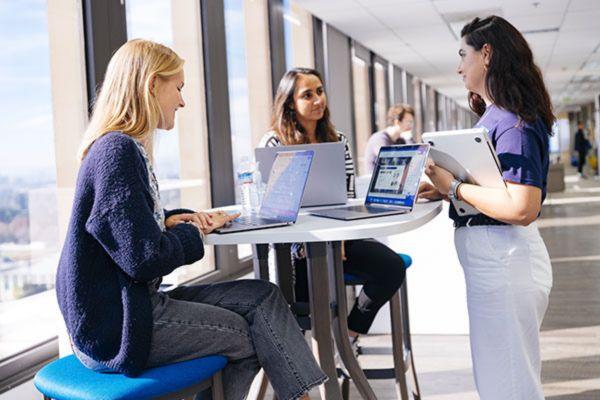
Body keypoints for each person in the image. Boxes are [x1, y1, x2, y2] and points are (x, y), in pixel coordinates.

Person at [55, 40, 326, 400]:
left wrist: (170, 220)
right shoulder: (116, 151)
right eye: (178, 88)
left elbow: (123, 227)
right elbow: (144, 259)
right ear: (152, 84)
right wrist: (190, 232)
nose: (182, 101)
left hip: (128, 309)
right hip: (118, 328)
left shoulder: (120, 148)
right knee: (249, 337)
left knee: (263, 296)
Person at [419, 16, 554, 400]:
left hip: (505, 261)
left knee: (509, 385)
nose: (460, 66)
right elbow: (500, 188)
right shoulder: (495, 116)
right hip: (496, 261)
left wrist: (456, 187)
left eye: (464, 55)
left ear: (488, 54)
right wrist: (445, 189)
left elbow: (523, 206)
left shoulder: (514, 123)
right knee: (501, 378)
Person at [258, 67, 407, 344]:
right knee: (301, 301)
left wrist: (340, 238)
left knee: (391, 267)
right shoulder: (273, 142)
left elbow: (348, 197)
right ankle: (301, 362)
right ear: (290, 103)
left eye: (320, 91)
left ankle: (346, 336)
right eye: (307, 95)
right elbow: (271, 207)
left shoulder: (338, 140)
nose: (318, 100)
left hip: (338, 237)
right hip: (294, 245)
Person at [364, 103, 415, 173]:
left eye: (412, 122)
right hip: (376, 181)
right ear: (397, 122)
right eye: (408, 122)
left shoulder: (401, 140)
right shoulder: (379, 139)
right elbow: (390, 162)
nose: (411, 125)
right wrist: (408, 139)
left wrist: (409, 139)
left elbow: (415, 158)